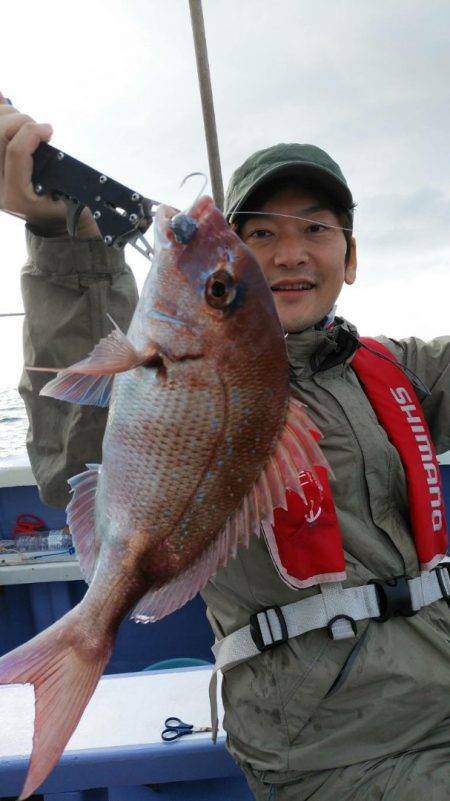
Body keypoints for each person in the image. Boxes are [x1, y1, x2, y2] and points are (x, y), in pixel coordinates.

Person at [1, 97, 450, 801]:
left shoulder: (399, 370)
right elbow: (74, 447)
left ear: (351, 256)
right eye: (261, 233)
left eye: (316, 229)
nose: (291, 251)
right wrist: (65, 237)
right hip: (329, 746)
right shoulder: (179, 370)